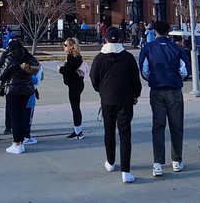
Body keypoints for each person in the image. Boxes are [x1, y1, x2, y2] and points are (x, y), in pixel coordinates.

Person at [138, 20, 189, 177]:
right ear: (169, 31)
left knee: (158, 126)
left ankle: (158, 163)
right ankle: (176, 161)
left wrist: (154, 79)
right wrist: (175, 79)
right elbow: (184, 70)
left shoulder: (148, 48)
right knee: (176, 125)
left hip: (157, 90)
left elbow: (144, 70)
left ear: (154, 32)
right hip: (174, 90)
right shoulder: (177, 48)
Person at [91, 27, 142, 184]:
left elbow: (94, 79)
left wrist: (102, 90)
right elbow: (136, 80)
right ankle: (126, 171)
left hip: (107, 100)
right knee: (125, 134)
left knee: (109, 132)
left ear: (105, 39)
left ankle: (110, 162)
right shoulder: (128, 58)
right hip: (125, 100)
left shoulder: (99, 58)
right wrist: (135, 95)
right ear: (120, 39)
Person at [0, 39, 39, 154]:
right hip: (26, 90)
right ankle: (21, 141)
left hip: (13, 90)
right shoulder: (27, 56)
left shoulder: (11, 59)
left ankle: (17, 143)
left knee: (14, 117)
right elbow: (36, 66)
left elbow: (1, 75)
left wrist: (4, 60)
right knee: (21, 116)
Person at [58, 38, 85, 140]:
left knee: (75, 107)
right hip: (76, 84)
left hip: (75, 85)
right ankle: (78, 130)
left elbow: (68, 71)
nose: (64, 47)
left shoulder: (73, 57)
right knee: (75, 106)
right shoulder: (74, 56)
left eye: (65, 45)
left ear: (71, 46)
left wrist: (60, 69)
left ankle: (78, 131)